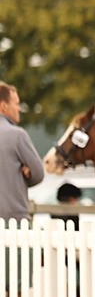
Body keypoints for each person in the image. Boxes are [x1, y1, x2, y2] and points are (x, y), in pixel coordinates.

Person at [0, 81, 44, 223]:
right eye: (16, 103)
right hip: (14, 220)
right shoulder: (17, 135)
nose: (19, 109)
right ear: (3, 106)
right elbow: (38, 174)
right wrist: (21, 177)